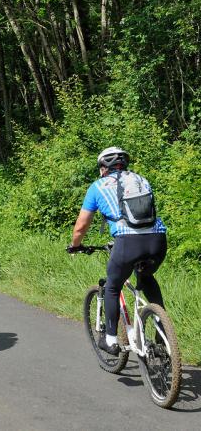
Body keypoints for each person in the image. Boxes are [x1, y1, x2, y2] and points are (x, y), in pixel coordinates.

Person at [67, 147, 167, 355]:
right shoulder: (141, 180)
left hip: (127, 242)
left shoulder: (98, 186)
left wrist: (75, 245)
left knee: (112, 287)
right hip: (157, 240)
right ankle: (163, 329)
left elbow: (81, 227)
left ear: (103, 168)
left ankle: (111, 339)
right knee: (146, 277)